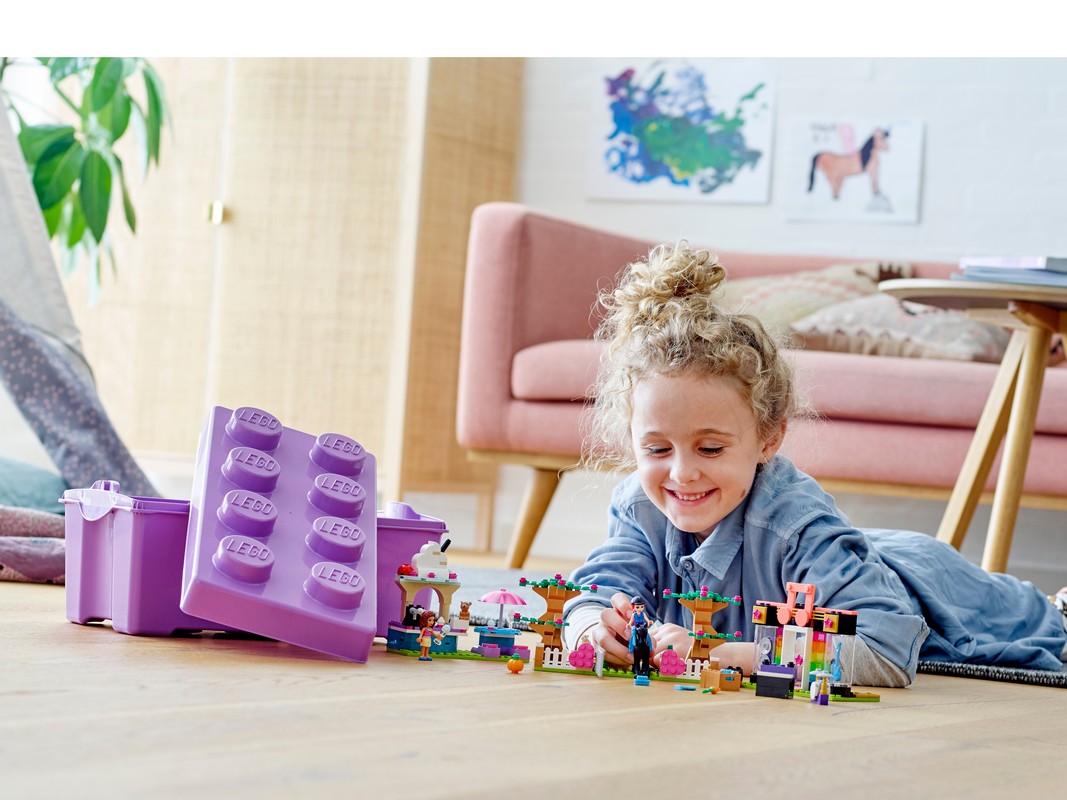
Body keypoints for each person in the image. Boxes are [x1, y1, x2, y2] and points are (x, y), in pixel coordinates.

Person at [563, 241, 1067, 687]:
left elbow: (887, 648)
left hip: (939, 592)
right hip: (862, 557)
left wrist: (730, 655)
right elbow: (599, 591)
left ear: (769, 438)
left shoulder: (797, 524)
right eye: (656, 450)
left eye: (710, 449)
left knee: (1045, 620)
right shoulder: (639, 505)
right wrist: (591, 627)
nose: (681, 473)